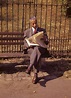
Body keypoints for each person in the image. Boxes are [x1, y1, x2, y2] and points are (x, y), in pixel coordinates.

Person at [23, 16, 49, 84]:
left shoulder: (42, 31)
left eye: (36, 23)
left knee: (37, 49)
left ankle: (30, 66)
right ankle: (35, 74)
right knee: (36, 53)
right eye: (33, 23)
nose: (35, 25)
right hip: (31, 49)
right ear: (30, 24)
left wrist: (45, 39)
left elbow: (47, 42)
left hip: (41, 48)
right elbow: (25, 43)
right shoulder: (27, 31)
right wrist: (29, 44)